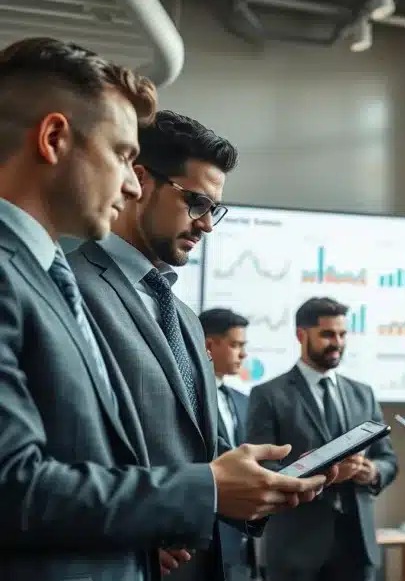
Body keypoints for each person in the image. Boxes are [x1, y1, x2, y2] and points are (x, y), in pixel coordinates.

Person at [0, 36, 324, 581]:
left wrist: (239, 488)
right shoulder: (35, 278)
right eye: (123, 156)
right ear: (54, 138)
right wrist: (196, 493)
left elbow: (91, 462)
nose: (129, 183)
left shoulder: (53, 279)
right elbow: (15, 487)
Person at [66, 109, 265, 581]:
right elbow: (66, 454)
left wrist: (261, 490)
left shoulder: (188, 320)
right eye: (196, 203)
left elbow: (206, 455)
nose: (207, 224)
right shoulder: (67, 288)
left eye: (214, 209)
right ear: (138, 181)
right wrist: (133, 534)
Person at [248, 297, 399, 581]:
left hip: (358, 546)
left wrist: (373, 472)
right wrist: (323, 474)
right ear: (301, 335)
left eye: (342, 334)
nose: (338, 342)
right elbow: (263, 472)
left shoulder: (362, 393)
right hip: (297, 548)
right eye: (328, 334)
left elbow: (388, 458)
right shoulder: (268, 395)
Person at [200, 307, 257, 581]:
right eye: (235, 345)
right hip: (205, 539)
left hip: (243, 542)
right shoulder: (189, 397)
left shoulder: (243, 400)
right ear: (209, 345)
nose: (243, 354)